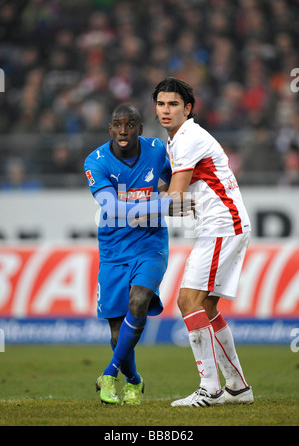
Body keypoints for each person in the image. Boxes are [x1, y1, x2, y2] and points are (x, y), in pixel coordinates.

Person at [152, 77, 254, 407]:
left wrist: (136, 203)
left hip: (222, 225)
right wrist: (168, 198)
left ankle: (209, 387)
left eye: (173, 104)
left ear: (188, 108)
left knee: (187, 301)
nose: (166, 110)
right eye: (161, 104)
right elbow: (178, 202)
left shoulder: (188, 138)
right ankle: (237, 388)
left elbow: (177, 199)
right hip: (224, 225)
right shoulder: (177, 140)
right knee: (206, 307)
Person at [84, 103, 191, 405]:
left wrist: (172, 194)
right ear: (110, 129)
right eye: (118, 124)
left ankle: (109, 372)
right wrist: (162, 204)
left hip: (150, 243)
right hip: (114, 249)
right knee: (117, 333)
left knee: (140, 300)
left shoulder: (157, 150)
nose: (123, 130)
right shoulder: (97, 161)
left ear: (140, 129)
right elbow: (113, 210)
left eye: (130, 125)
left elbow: (176, 181)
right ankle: (134, 380)